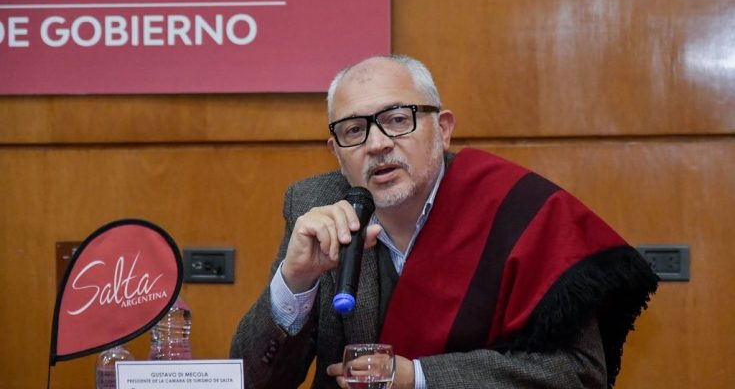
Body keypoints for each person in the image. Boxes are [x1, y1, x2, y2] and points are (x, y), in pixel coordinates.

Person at [230, 54, 658, 388]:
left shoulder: (513, 209)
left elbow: (578, 373)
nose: (377, 144)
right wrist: (295, 282)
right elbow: (252, 382)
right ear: (336, 152)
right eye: (354, 130)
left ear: (443, 129)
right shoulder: (315, 205)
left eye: (398, 120)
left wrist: (416, 377)